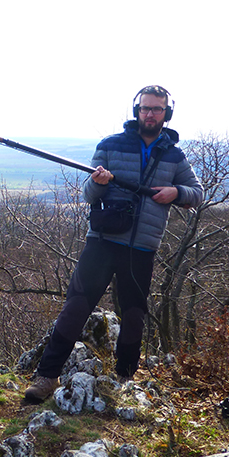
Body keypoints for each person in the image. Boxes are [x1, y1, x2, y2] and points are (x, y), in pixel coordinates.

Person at [24, 85, 204, 403]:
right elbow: (88, 195)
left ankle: (124, 379)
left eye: (156, 109)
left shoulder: (175, 155)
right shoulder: (110, 145)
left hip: (143, 247)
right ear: (137, 111)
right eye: (145, 108)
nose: (150, 114)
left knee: (134, 314)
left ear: (167, 113)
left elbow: (197, 193)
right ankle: (46, 376)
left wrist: (176, 193)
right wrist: (97, 182)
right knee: (76, 306)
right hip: (103, 241)